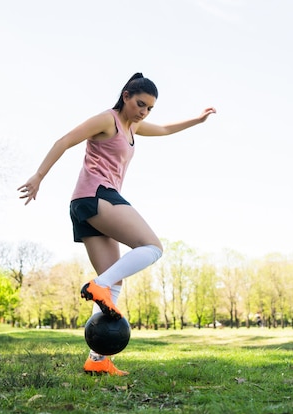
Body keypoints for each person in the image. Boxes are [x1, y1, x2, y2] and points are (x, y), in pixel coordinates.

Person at [18, 73, 215, 375]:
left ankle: (97, 360)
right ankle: (97, 286)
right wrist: (39, 176)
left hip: (88, 204)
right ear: (125, 96)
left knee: (114, 285)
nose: (143, 112)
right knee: (152, 247)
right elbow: (65, 140)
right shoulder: (107, 120)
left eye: (149, 108)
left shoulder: (132, 126)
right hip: (96, 196)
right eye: (140, 104)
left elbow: (163, 129)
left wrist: (197, 121)